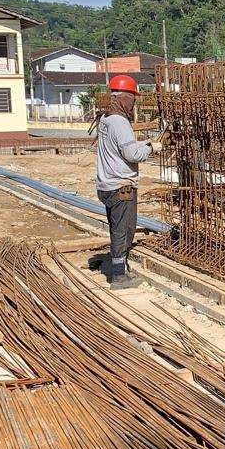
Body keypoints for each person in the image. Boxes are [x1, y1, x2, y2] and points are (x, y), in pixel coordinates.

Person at [96, 75, 159, 289]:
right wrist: (151, 148)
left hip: (106, 184)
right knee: (124, 230)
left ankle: (119, 268)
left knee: (117, 227)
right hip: (121, 186)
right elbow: (131, 154)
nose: (134, 103)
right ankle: (119, 277)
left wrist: (144, 142)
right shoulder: (120, 122)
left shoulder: (105, 118)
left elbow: (121, 146)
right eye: (133, 98)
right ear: (125, 97)